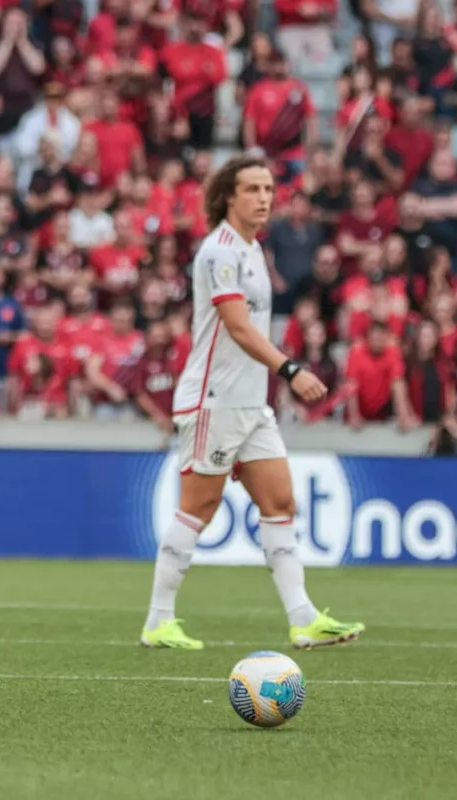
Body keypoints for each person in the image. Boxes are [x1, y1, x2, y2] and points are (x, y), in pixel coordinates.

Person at [139, 156, 365, 652]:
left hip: (249, 403)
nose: (265, 197)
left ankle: (303, 618)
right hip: (213, 400)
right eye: (253, 189)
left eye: (269, 188)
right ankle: (158, 620)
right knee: (198, 508)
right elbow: (238, 327)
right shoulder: (218, 252)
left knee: (280, 501)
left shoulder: (254, 249)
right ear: (228, 197)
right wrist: (290, 369)